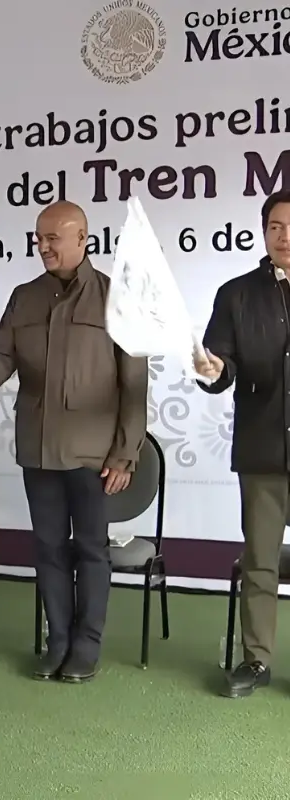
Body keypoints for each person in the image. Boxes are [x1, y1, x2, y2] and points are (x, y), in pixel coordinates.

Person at [0, 200, 147, 683]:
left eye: (53, 238)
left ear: (83, 239)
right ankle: (57, 641)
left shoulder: (114, 295)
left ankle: (87, 646)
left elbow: (135, 383)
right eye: (38, 238)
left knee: (91, 549)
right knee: (48, 549)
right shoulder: (25, 296)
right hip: (38, 448)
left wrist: (126, 453)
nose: (43, 246)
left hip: (94, 453)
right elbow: (1, 355)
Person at [194, 190, 290, 698]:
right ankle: (256, 661)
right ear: (263, 230)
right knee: (260, 561)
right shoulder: (237, 294)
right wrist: (214, 370)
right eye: (276, 226)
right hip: (262, 450)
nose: (285, 236)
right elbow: (220, 363)